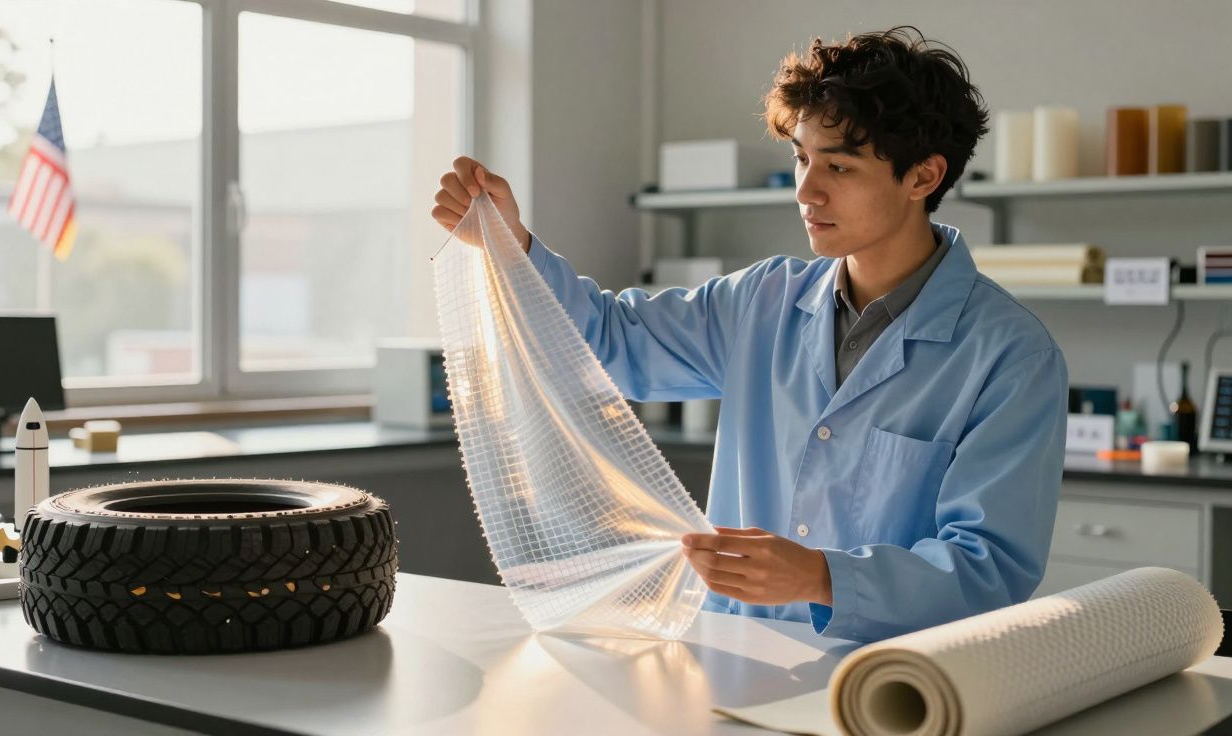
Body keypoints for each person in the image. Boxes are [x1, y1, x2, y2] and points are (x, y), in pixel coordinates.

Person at [431, 26, 1067, 643]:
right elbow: (606, 344)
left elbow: (990, 569)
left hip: (892, 681)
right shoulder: (761, 301)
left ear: (923, 178)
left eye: (839, 168)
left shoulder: (1009, 355)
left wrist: (823, 577)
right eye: (800, 159)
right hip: (734, 657)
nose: (806, 191)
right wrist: (511, 246)